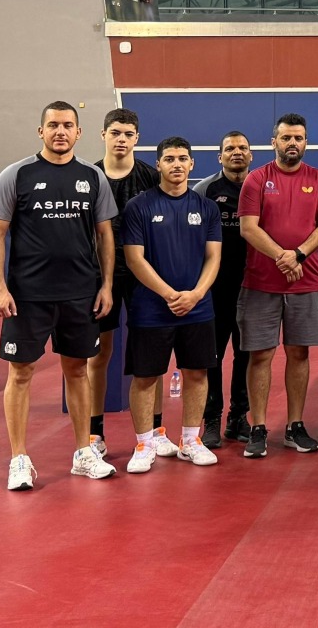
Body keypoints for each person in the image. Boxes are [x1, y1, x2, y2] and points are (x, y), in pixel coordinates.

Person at [0, 101, 119, 490]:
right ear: (40, 131)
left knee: (78, 371)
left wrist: (107, 285)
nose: (60, 132)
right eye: (53, 125)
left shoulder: (93, 178)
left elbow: (105, 235)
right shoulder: (17, 175)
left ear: (79, 133)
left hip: (81, 295)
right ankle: (19, 459)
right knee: (21, 372)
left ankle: (83, 453)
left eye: (68, 125)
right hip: (27, 297)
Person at [237, 113, 318, 458]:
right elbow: (248, 228)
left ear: (305, 142)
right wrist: (283, 256)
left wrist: (298, 254)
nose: (292, 143)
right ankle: (259, 427)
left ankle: (295, 426)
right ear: (273, 141)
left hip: (306, 282)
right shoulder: (256, 179)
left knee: (299, 353)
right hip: (261, 283)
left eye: (298, 138)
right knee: (260, 354)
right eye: (286, 138)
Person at [122, 137, 222, 472]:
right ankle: (145, 443)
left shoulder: (206, 208)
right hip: (151, 309)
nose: (176, 164)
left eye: (182, 158)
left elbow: (213, 258)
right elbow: (135, 259)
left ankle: (191, 440)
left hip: (198, 307)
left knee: (197, 372)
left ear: (192, 164)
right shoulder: (139, 206)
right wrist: (168, 294)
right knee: (146, 376)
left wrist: (195, 294)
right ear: (159, 165)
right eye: (169, 159)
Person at [88, 108, 161, 456]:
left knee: (152, 353)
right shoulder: (87, 177)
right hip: (100, 279)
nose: (121, 139)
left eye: (128, 134)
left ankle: (157, 430)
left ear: (137, 138)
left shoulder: (149, 177)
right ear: (103, 135)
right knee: (100, 354)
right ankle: (94, 434)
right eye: (115, 132)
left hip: (144, 277)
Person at [193, 131, 254, 447]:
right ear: (219, 156)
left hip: (252, 289)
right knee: (212, 357)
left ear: (251, 155)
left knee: (245, 356)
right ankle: (212, 419)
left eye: (242, 148)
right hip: (214, 291)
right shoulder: (206, 191)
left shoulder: (259, 188)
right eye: (229, 148)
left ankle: (238, 418)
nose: (236, 153)